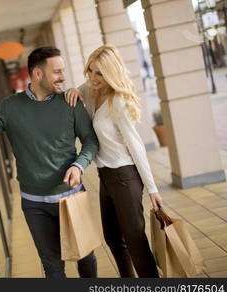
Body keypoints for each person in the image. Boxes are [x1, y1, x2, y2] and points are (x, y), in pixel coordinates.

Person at [0, 46, 99, 278]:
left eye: (63, 71)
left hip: (70, 197)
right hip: (34, 204)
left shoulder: (70, 103)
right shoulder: (10, 106)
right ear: (38, 74)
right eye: (57, 71)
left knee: (86, 257)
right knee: (52, 266)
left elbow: (90, 141)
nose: (63, 76)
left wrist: (78, 165)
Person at [65, 45, 163, 278]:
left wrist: (152, 188)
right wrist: (71, 90)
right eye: (90, 70)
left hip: (125, 176)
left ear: (110, 73)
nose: (92, 77)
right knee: (113, 239)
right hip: (106, 176)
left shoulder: (118, 102)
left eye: (99, 73)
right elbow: (73, 92)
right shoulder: (90, 91)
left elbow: (136, 147)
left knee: (135, 241)